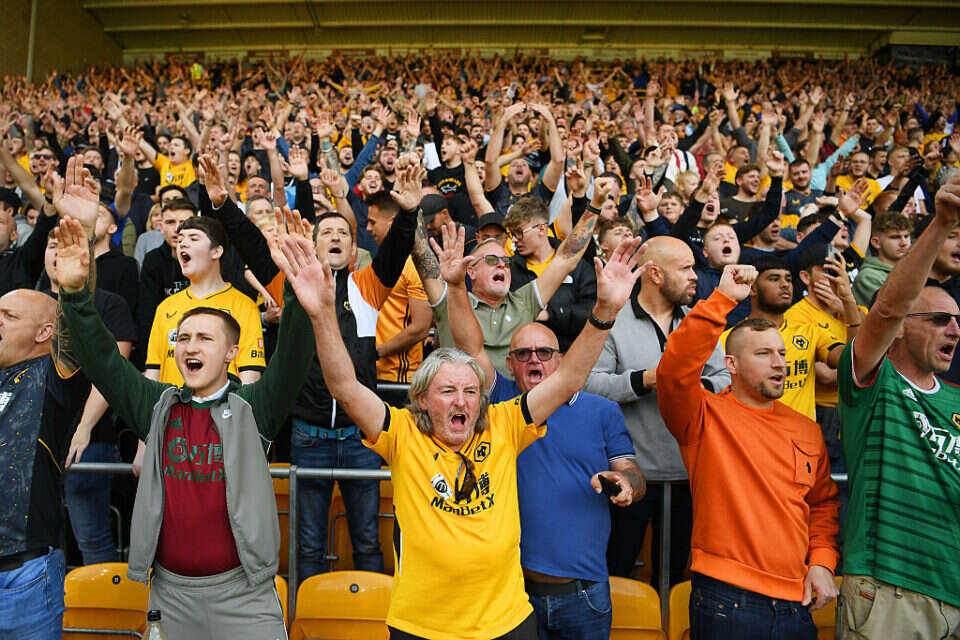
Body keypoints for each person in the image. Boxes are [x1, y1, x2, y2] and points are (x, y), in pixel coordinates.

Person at [295, 211, 647, 639]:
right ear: (422, 399)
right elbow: (346, 388)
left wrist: (605, 311)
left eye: (470, 391)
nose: (462, 400)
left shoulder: (504, 423)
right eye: (447, 391)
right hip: (421, 626)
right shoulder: (403, 432)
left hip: (505, 624)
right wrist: (322, 315)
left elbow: (569, 378)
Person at [53, 206, 317, 640]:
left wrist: (298, 292)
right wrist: (75, 293)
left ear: (232, 353)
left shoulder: (255, 407)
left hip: (245, 597)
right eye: (183, 338)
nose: (190, 346)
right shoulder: (156, 406)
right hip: (170, 597)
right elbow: (103, 361)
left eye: (205, 338)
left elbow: (292, 358)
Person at [199, 155, 421, 583]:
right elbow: (252, 246)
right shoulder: (292, 287)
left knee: (367, 542)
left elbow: (395, 249)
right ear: (312, 246)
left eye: (343, 233)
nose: (335, 237)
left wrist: (409, 213)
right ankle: (304, 614)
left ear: (353, 251)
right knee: (308, 544)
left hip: (361, 438)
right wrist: (224, 204)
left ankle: (372, 617)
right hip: (308, 437)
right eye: (326, 233)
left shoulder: (367, 288)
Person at [439, 222, 646, 639]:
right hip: (511, 593)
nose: (534, 358)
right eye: (523, 353)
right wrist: (456, 288)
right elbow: (471, 346)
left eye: (545, 352)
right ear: (509, 364)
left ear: (560, 359)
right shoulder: (500, 402)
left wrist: (626, 483)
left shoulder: (602, 411)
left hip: (584, 594)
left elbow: (633, 474)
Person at [658, 263, 841, 639]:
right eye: (763, 353)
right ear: (732, 364)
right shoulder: (703, 416)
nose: (779, 363)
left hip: (796, 601)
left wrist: (822, 562)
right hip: (726, 598)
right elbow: (674, 371)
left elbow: (822, 505)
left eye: (782, 353)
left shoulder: (806, 429)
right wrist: (722, 299)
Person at [835, 173, 960, 639]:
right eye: (940, 319)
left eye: (957, 321)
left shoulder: (957, 399)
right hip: (890, 587)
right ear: (904, 327)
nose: (954, 330)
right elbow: (887, 308)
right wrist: (941, 223)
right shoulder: (872, 380)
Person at [585, 236, 730, 586]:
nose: (695, 276)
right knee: (618, 573)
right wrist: (646, 379)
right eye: (686, 268)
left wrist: (686, 386)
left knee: (678, 576)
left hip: (689, 475)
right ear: (655, 274)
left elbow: (725, 378)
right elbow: (589, 385)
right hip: (633, 477)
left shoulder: (698, 323)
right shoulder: (613, 321)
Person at [422, 177, 620, 378]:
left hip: (515, 398)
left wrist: (594, 206)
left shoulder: (524, 302)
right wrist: (410, 212)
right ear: (471, 271)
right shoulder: (451, 301)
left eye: (506, 261)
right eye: (491, 260)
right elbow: (420, 253)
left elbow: (567, 258)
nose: (502, 264)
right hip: (461, 396)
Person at [0, 286, 88, 639]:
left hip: (23, 574)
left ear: (44, 332)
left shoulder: (53, 377)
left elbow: (79, 337)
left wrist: (74, 285)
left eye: (8, 316)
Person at [721, 255, 846, 421]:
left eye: (788, 279)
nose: (785, 284)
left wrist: (849, 303)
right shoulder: (728, 341)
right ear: (752, 289)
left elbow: (851, 360)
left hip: (802, 435)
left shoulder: (810, 332)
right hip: (752, 431)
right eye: (774, 279)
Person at [505, 196, 597, 352]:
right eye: (512, 234)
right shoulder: (509, 270)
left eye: (520, 233)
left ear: (542, 229)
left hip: (571, 353)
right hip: (526, 355)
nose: (514, 240)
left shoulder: (576, 264)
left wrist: (551, 314)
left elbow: (592, 311)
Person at [851, 211, 913, 308]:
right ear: (876, 242)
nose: (904, 243)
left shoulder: (914, 269)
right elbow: (895, 309)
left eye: (906, 236)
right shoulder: (868, 277)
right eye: (895, 237)